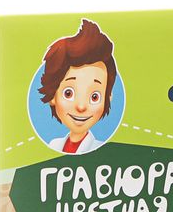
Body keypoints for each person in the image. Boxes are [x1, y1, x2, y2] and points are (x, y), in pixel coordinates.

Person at [38, 20, 117, 154]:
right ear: (53, 96)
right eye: (68, 93)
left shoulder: (101, 149)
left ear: (108, 97)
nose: (81, 107)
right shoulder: (54, 144)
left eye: (94, 97)